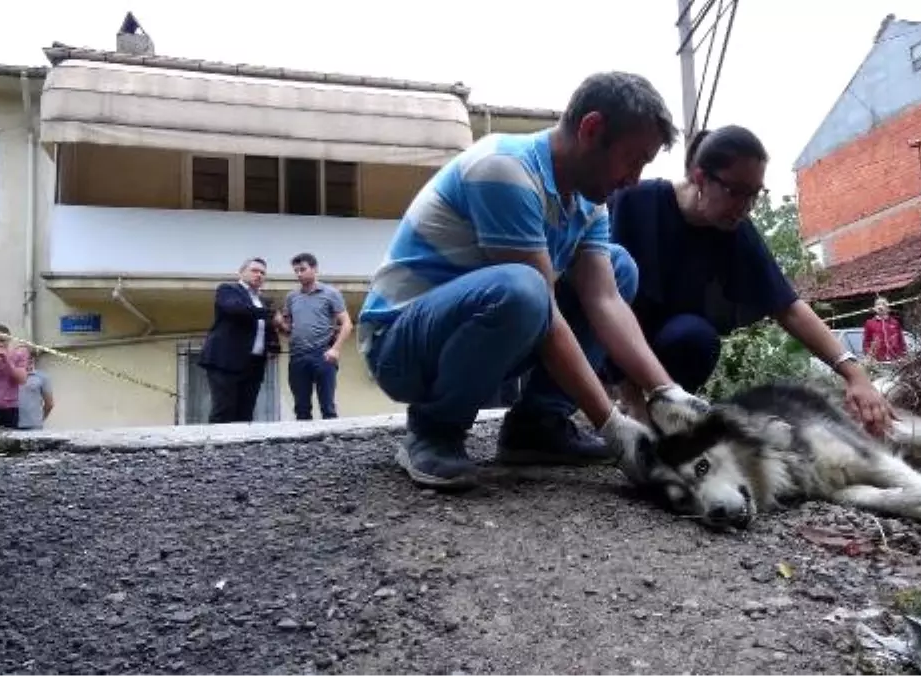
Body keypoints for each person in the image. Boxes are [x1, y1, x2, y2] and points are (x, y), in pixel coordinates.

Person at [357, 71, 709, 489]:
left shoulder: (587, 199)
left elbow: (605, 301)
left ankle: (538, 425)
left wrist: (666, 392)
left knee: (617, 266)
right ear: (592, 129)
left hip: (484, 327)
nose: (633, 179)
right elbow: (544, 313)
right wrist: (613, 427)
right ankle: (434, 430)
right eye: (633, 160)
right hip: (399, 344)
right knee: (525, 290)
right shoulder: (504, 169)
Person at [608, 125, 893, 436]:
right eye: (735, 192)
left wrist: (855, 375)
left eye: (754, 195)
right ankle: (624, 408)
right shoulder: (634, 202)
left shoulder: (734, 229)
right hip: (607, 338)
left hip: (664, 347)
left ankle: (665, 415)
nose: (745, 207)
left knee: (695, 337)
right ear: (701, 178)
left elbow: (788, 307)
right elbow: (603, 303)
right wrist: (632, 401)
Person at [198, 257, 281, 424]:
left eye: (263, 273)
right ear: (241, 272)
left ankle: (241, 450)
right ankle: (218, 448)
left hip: (254, 364)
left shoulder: (263, 300)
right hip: (225, 362)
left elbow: (267, 327)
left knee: (246, 412)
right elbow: (235, 309)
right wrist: (270, 314)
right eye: (254, 271)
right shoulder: (228, 290)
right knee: (224, 410)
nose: (259, 275)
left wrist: (273, 346)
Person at [277, 252, 352, 420]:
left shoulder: (331, 293)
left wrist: (335, 349)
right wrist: (280, 324)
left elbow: (347, 324)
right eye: (296, 270)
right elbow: (288, 329)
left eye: (302, 269)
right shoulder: (291, 297)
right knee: (301, 408)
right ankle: (303, 446)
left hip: (323, 354)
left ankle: (332, 444)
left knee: (327, 406)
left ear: (315, 269)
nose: (299, 274)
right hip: (297, 356)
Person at [0, 325, 30, 429]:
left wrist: (7, 361)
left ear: (9, 340)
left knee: (9, 443)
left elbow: (22, 380)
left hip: (9, 408)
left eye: (2, 340)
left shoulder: (19, 354)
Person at [16, 348, 55, 430]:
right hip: (12, 424)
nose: (29, 359)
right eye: (25, 357)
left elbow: (49, 404)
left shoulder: (42, 377)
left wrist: (39, 420)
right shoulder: (11, 376)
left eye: (31, 357)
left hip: (33, 426)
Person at [862, 296, 908, 363]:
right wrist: (869, 356)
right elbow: (866, 342)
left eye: (883, 304)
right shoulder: (869, 323)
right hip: (878, 361)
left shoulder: (895, 323)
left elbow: (901, 340)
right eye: (878, 304)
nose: (880, 306)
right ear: (875, 308)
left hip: (895, 360)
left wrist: (904, 355)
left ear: (888, 308)